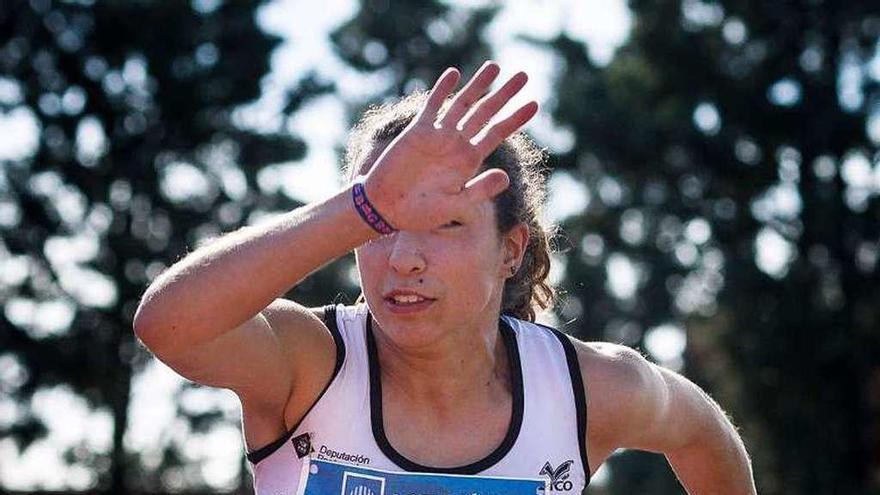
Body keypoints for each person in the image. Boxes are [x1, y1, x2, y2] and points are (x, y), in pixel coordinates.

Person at [133, 61, 757, 495]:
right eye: (383, 223)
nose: (403, 256)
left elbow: (701, 430)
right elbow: (168, 325)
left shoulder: (584, 389)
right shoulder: (310, 366)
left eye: (446, 224)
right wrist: (358, 205)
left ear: (511, 250)